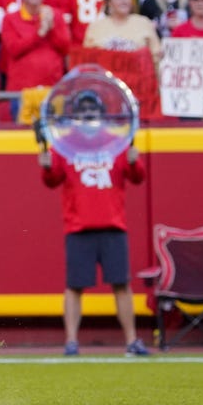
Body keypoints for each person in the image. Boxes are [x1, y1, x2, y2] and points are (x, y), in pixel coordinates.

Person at [38, 90, 149, 357]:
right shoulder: (65, 146)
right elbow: (52, 180)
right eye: (83, 109)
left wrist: (135, 162)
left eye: (93, 109)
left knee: (121, 284)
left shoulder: (116, 143)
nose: (88, 115)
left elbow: (137, 176)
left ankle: (132, 341)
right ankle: (72, 342)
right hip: (78, 227)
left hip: (113, 225)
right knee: (75, 286)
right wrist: (45, 165)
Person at [0, 0, 69, 120]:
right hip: (21, 93)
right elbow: (13, 49)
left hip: (52, 90)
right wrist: (39, 33)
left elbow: (65, 48)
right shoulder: (10, 18)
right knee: (21, 139)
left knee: (53, 137)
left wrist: (52, 29)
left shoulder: (55, 16)